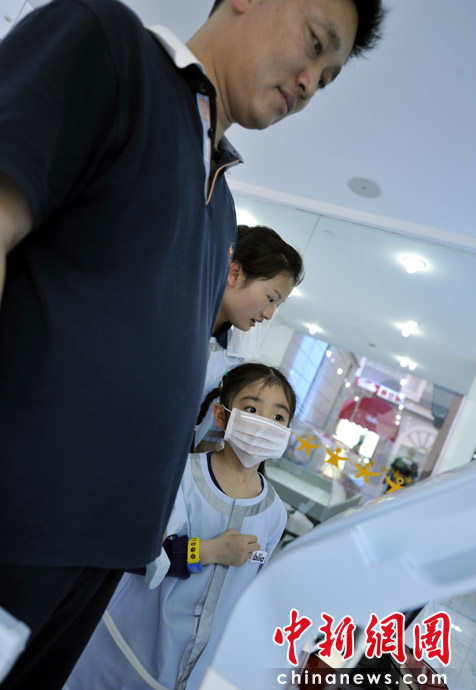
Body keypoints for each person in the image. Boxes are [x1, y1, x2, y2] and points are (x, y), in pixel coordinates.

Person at [0, 0, 385, 687]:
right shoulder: (112, 52)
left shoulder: (221, 208)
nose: (310, 83)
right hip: (22, 515)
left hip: (106, 550)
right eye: (314, 43)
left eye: (327, 78)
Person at [65, 363, 296, 690]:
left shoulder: (274, 513)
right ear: (221, 416)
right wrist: (207, 551)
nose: (264, 424)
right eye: (251, 409)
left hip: (191, 673)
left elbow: (246, 596)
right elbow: (129, 552)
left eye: (278, 417)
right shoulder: (179, 475)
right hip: (122, 650)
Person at [195, 223, 303, 449]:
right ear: (235, 274)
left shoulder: (236, 356)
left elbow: (206, 441)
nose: (269, 314)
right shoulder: (174, 320)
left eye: (277, 305)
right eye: (271, 298)